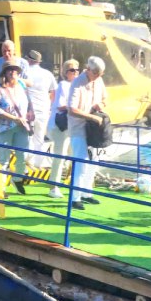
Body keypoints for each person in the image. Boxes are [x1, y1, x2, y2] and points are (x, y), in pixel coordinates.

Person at [67, 56, 109, 210]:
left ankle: (86, 193)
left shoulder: (99, 81)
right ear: (89, 70)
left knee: (94, 160)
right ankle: (75, 197)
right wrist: (90, 116)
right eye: (96, 73)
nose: (98, 76)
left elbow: (105, 98)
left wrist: (100, 105)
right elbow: (71, 109)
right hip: (78, 127)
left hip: (94, 127)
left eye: (100, 74)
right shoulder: (78, 83)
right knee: (81, 160)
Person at [0, 62, 32, 195]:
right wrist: (13, 118)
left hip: (21, 126)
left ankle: (17, 179)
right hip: (4, 127)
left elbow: (28, 103)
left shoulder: (22, 86)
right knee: (3, 159)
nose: (13, 72)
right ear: (5, 73)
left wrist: (30, 115)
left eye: (15, 70)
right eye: (10, 70)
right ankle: (0, 188)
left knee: (23, 155)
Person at [47, 59, 79, 198]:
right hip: (62, 126)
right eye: (72, 70)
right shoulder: (63, 85)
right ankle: (53, 187)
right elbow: (60, 105)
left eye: (77, 69)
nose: (75, 72)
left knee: (74, 155)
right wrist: (74, 108)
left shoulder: (78, 86)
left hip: (73, 127)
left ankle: (72, 182)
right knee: (59, 156)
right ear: (66, 73)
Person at [24, 49, 57, 167]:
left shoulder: (25, 73)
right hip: (44, 110)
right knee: (39, 138)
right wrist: (50, 107)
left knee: (28, 138)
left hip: (28, 111)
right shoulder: (48, 74)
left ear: (28, 59)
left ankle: (28, 164)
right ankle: (39, 164)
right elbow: (54, 92)